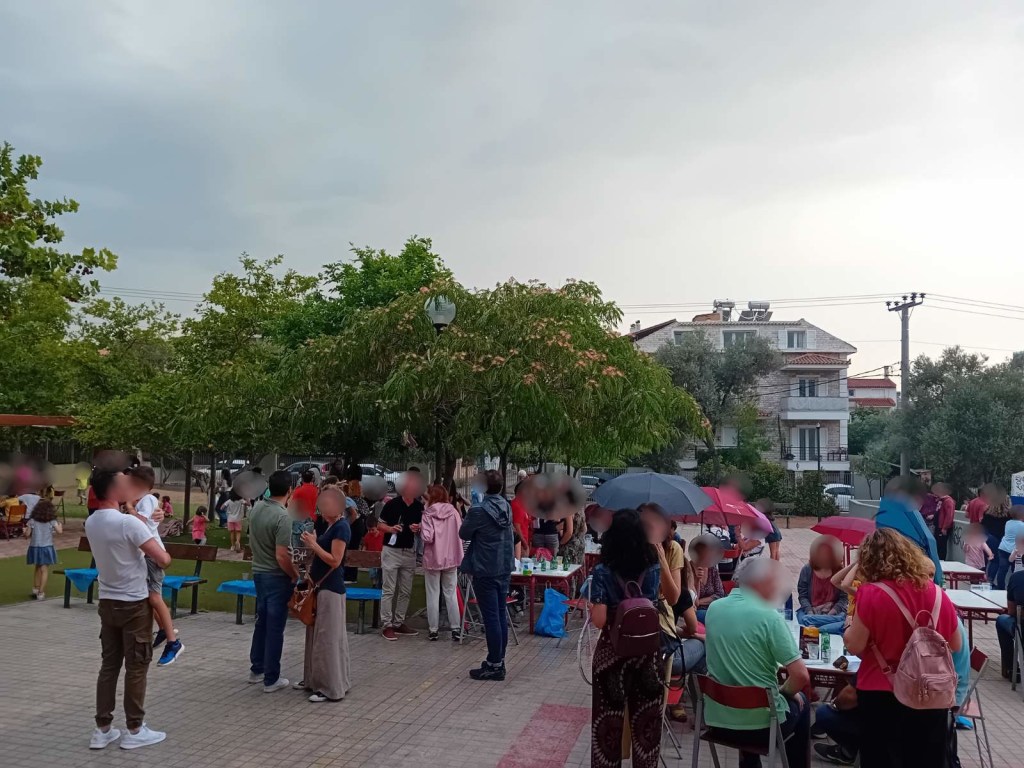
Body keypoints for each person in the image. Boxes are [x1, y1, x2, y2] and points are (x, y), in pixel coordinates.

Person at [843, 528, 961, 768]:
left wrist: (848, 626)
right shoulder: (937, 594)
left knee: (881, 758)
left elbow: (855, 645)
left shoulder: (871, 593)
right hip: (930, 691)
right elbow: (955, 644)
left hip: (881, 689)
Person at [85, 468, 171, 750]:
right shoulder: (127, 524)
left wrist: (146, 517)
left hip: (108, 601)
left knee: (109, 666)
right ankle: (135, 729)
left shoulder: (92, 522)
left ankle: (103, 728)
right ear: (113, 490)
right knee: (136, 666)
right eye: (124, 483)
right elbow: (163, 559)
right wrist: (149, 525)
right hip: (134, 603)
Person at [704, 557, 811, 768]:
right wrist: (785, 691)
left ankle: (749, 763)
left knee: (749, 695)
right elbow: (801, 676)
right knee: (803, 704)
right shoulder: (769, 617)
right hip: (762, 727)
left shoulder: (714, 609)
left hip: (718, 721)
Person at [589, 509, 663, 768]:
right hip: (647, 653)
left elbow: (599, 620)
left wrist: (595, 607)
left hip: (612, 654)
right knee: (647, 724)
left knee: (608, 724)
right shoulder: (653, 567)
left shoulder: (602, 571)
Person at [296, 487, 351, 703]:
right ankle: (313, 679)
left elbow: (335, 560)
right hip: (319, 586)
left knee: (327, 638)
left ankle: (330, 687)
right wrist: (313, 542)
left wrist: (314, 544)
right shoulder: (329, 526)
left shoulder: (341, 527)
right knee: (315, 635)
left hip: (331, 588)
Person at [459, 469, 515, 681]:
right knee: (500, 614)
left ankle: (494, 664)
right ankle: (498, 660)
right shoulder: (506, 506)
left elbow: (464, 533)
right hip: (503, 566)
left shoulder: (479, 510)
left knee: (491, 617)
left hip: (485, 567)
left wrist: (473, 509)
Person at [125, 466, 182, 667]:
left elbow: (140, 523)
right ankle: (165, 631)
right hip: (146, 555)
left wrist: (130, 507)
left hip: (153, 554)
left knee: (155, 597)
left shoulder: (147, 499)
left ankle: (173, 641)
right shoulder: (144, 501)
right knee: (149, 597)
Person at [247, 470, 299, 693]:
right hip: (276, 576)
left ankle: (257, 669)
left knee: (262, 623)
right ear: (290, 490)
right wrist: (294, 574)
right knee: (275, 627)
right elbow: (282, 555)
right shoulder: (283, 516)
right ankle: (271, 678)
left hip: (259, 572)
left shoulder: (257, 508)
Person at [378, 471, 424, 640]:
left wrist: (418, 528)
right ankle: (387, 624)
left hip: (409, 550)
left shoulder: (419, 507)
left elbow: (423, 527)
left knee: (405, 590)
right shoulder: (392, 504)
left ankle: (399, 622)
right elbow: (380, 525)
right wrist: (391, 529)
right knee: (389, 589)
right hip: (392, 550)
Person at [874, 475, 942, 585]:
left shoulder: (887, 513)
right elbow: (929, 542)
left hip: (890, 571)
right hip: (911, 569)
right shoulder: (910, 513)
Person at [421, 484, 464, 641]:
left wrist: (420, 529)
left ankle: (433, 630)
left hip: (433, 558)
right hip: (451, 558)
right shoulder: (454, 512)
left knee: (432, 594)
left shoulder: (428, 513)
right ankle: (455, 628)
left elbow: (427, 537)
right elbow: (460, 533)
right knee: (450, 593)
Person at [796, 535, 848, 636]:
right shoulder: (807, 570)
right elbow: (803, 596)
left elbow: (844, 599)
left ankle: (815, 629)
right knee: (803, 619)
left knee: (841, 619)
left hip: (834, 614)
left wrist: (830, 614)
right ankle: (823, 628)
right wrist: (810, 612)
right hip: (810, 612)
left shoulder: (840, 572)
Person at [26, 498, 61, 599]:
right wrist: (60, 525)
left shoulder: (32, 520)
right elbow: (59, 531)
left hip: (35, 547)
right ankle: (41, 592)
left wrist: (25, 530)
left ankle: (36, 588)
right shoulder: (52, 521)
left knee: (37, 567)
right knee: (44, 569)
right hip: (46, 547)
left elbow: (27, 534)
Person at [689, 533, 726, 623]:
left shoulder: (712, 569)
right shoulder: (688, 569)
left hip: (714, 607)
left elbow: (720, 594)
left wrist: (700, 602)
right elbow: (692, 600)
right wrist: (697, 580)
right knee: (717, 618)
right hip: (696, 611)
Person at [996, 568, 1024, 678]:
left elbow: (1011, 611)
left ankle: (1012, 669)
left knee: (1001, 620)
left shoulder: (1017, 577)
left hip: (1022, 631)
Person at [981, 486, 1011, 585]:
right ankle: (990, 581)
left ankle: (981, 579)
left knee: (986, 560)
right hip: (999, 539)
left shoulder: (987, 512)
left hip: (987, 537)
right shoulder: (1008, 515)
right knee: (996, 561)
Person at [995, 506, 1024, 589]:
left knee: (1002, 570)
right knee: (1015, 571)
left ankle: (1000, 588)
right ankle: (1013, 588)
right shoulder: (1022, 525)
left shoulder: (1008, 523)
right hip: (1015, 551)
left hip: (1003, 548)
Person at [932, 482, 956, 560]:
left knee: (941, 545)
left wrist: (944, 528)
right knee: (938, 544)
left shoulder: (948, 501)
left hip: (942, 527)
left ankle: (941, 560)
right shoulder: (941, 500)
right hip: (938, 526)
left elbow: (949, 515)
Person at [510, 481, 532, 557]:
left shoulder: (520, 504)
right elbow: (517, 526)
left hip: (521, 541)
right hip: (521, 544)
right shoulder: (518, 505)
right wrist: (524, 543)